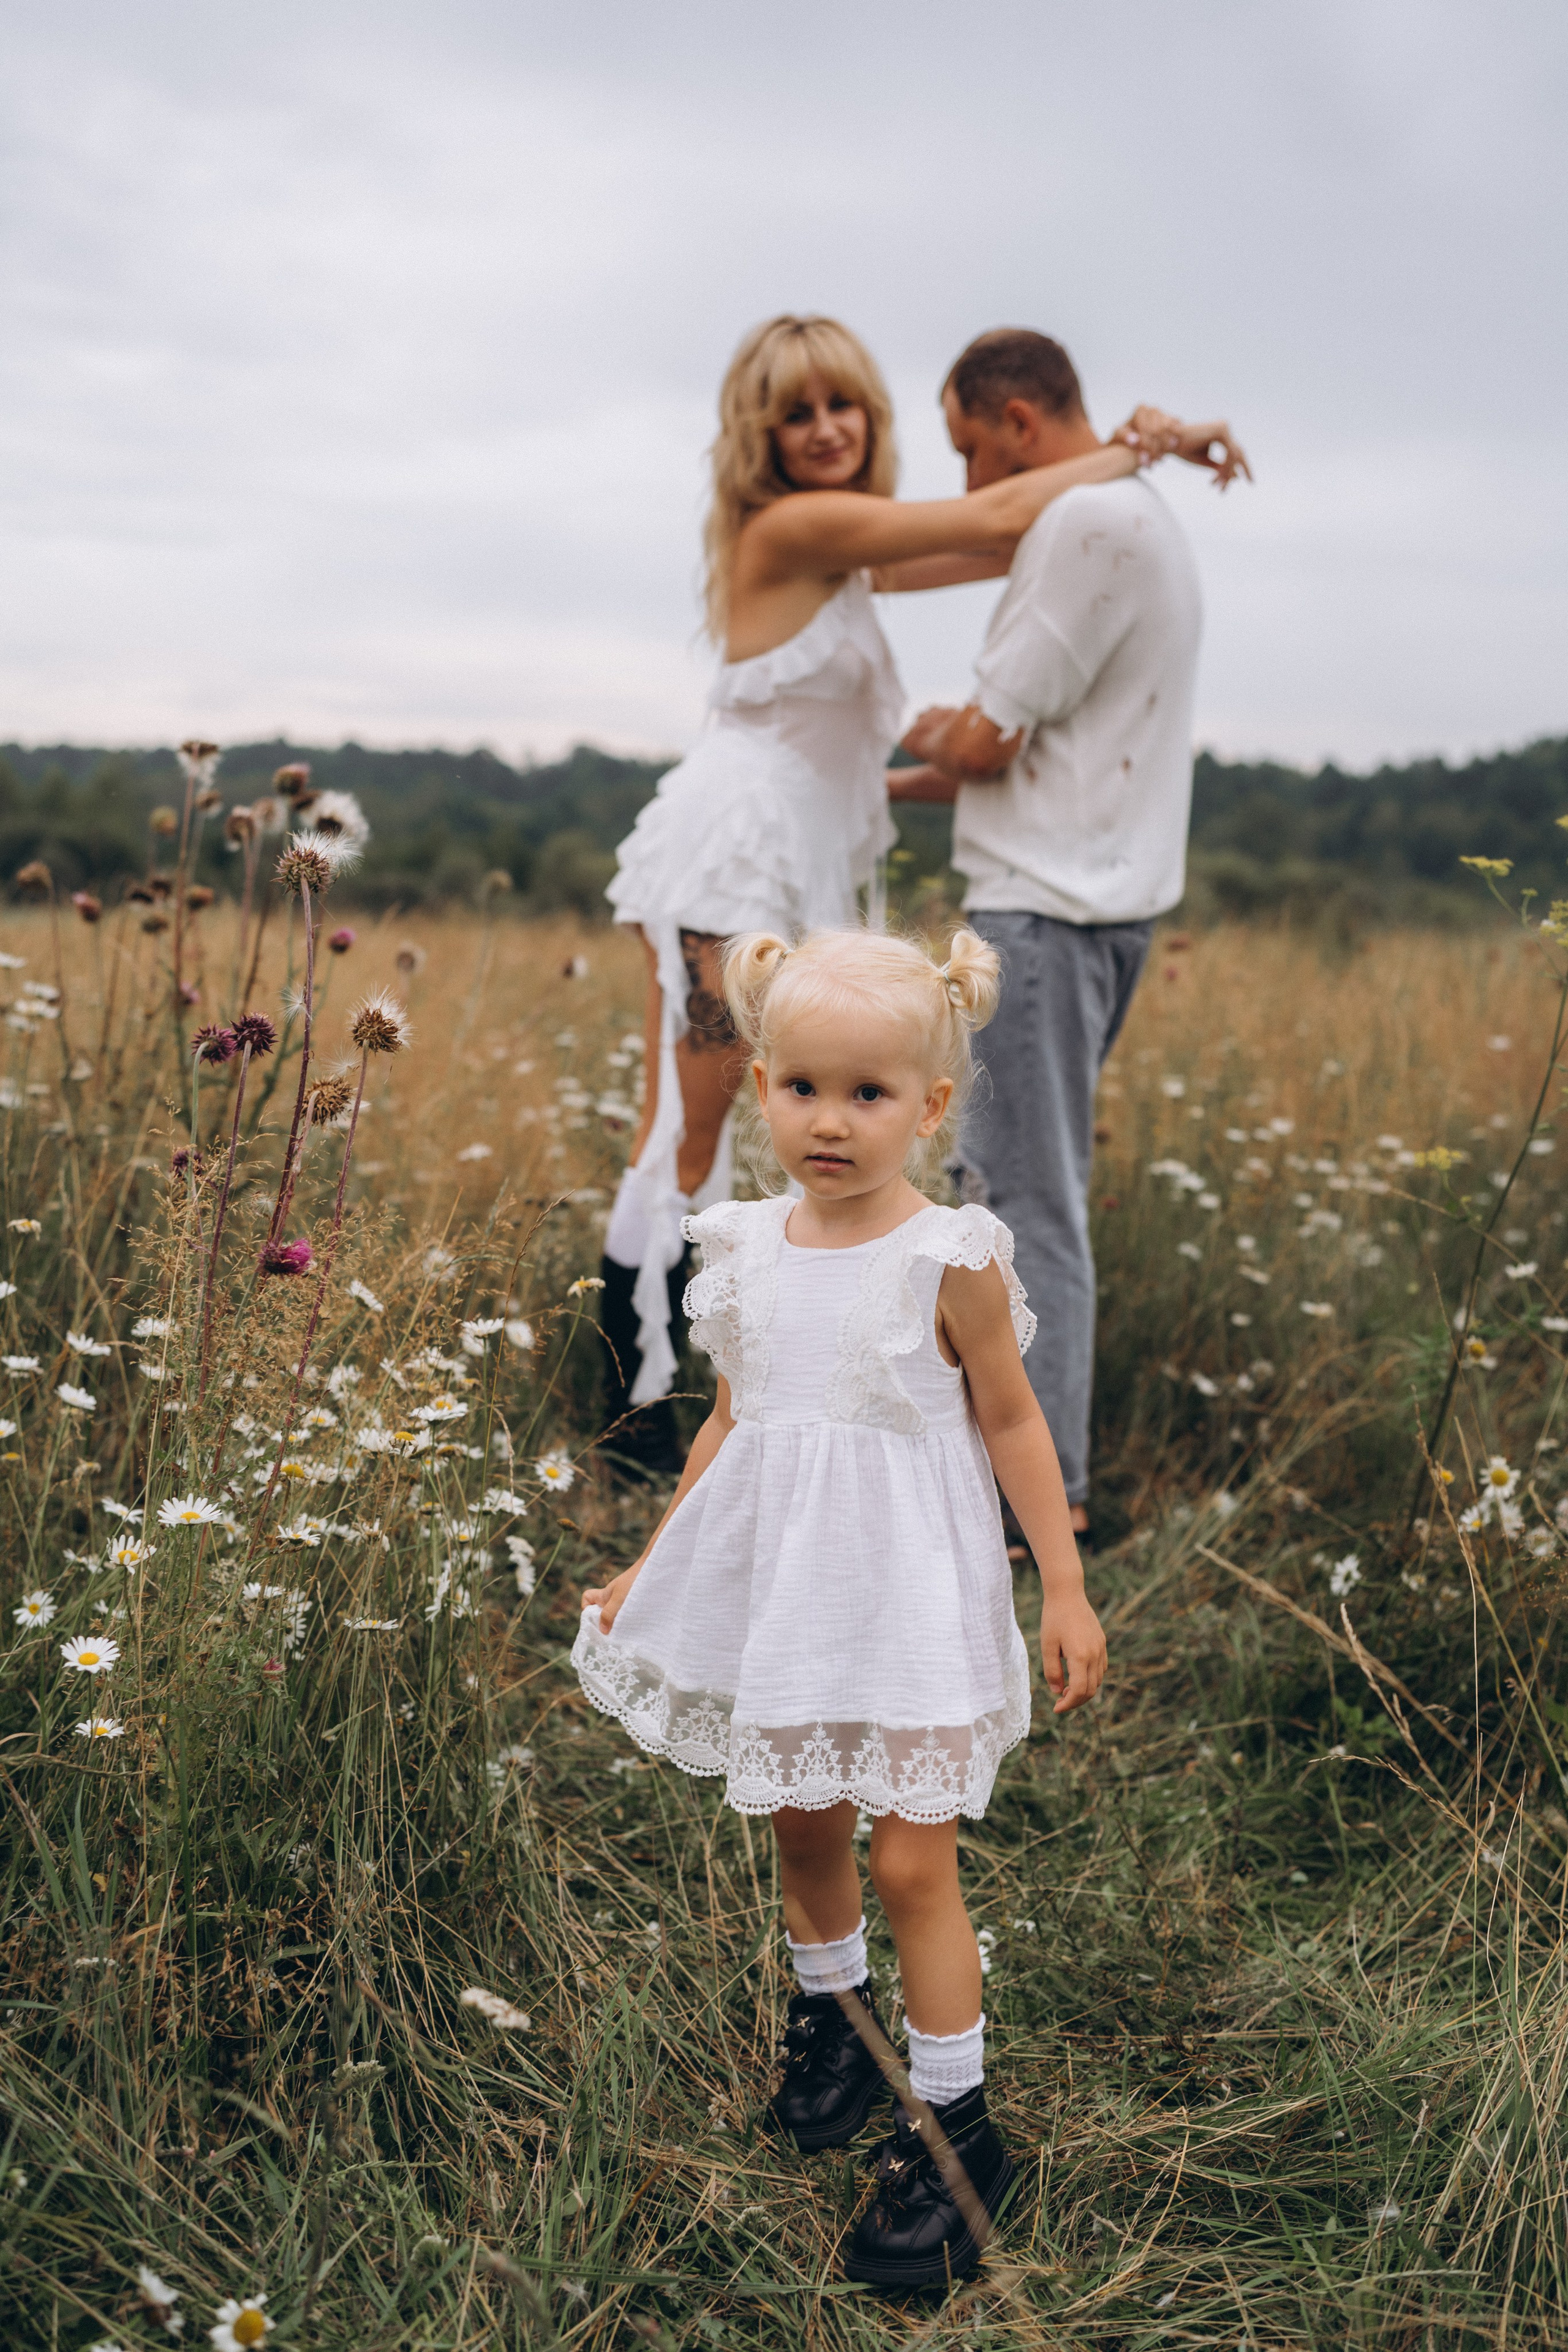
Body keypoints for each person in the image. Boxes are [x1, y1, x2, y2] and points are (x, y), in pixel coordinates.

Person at [573, 925, 1106, 2289]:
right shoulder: (743, 1246)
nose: (829, 1120)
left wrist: (1060, 1577)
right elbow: (732, 1423)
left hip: (912, 1599)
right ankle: (835, 2024)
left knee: (910, 1863)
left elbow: (1011, 1420)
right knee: (803, 1823)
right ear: (758, 1086)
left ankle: (956, 2130)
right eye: (801, 1086)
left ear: (928, 1107)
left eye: (867, 1094)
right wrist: (654, 1560)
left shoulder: (950, 1256)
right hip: (789, 1600)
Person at [596, 312, 1198, 1476]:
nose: (827, 430)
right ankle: (632, 1430)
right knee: (692, 1130)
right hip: (731, 858)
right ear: (760, 436)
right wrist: (1144, 443)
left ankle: (741, 1402)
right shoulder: (798, 526)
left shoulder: (853, 557)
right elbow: (997, 514)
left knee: (736, 1130)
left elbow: (1026, 537)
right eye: (797, 413)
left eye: (845, 406)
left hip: (791, 860)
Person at [891, 329, 1251, 1541]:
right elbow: (1012, 757)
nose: (964, 483)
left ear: (1016, 421)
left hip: (1040, 919)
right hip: (1076, 907)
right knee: (1005, 1192)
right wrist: (893, 778)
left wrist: (929, 722)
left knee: (1016, 1207)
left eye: (965, 448)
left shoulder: (1084, 526)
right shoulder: (1129, 514)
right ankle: (1008, 1480)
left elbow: (986, 739)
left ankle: (1032, 1507)